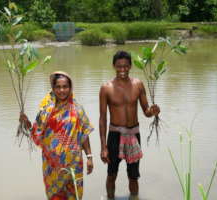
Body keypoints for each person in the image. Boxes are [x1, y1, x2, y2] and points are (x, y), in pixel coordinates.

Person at [20, 71, 94, 200]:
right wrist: (26, 123)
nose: (62, 90)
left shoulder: (77, 109)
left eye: (65, 86)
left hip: (74, 163)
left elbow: (84, 135)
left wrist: (89, 157)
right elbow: (36, 133)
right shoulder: (46, 110)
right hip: (52, 165)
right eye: (58, 87)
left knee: (75, 196)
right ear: (53, 89)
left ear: (70, 88)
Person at [99, 51, 160, 200]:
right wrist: (103, 147)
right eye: (119, 66)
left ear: (130, 66)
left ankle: (134, 197)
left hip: (134, 134)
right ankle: (110, 197)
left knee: (133, 176)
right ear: (114, 66)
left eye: (126, 66)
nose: (122, 70)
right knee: (111, 174)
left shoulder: (138, 84)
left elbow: (146, 111)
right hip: (115, 135)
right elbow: (102, 118)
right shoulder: (106, 88)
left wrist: (153, 111)